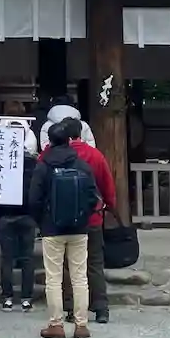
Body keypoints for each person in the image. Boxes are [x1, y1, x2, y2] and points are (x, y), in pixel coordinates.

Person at [29, 120, 98, 338]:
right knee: (80, 277)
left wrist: (42, 221)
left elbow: (34, 199)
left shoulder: (43, 166)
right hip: (79, 228)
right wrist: (83, 216)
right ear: (69, 140)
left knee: (53, 278)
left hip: (52, 228)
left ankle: (56, 324)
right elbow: (93, 197)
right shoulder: (82, 165)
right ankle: (81, 324)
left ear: (49, 141)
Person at [59, 116, 116, 325]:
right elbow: (107, 185)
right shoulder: (95, 155)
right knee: (94, 263)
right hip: (92, 217)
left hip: (64, 218)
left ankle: (71, 307)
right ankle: (101, 308)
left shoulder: (54, 156)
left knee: (68, 265)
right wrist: (110, 206)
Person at [0, 125, 39, 311]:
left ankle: (7, 297)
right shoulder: (33, 163)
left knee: (7, 259)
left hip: (6, 214)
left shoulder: (1, 160)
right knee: (27, 258)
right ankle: (27, 298)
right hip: (28, 214)